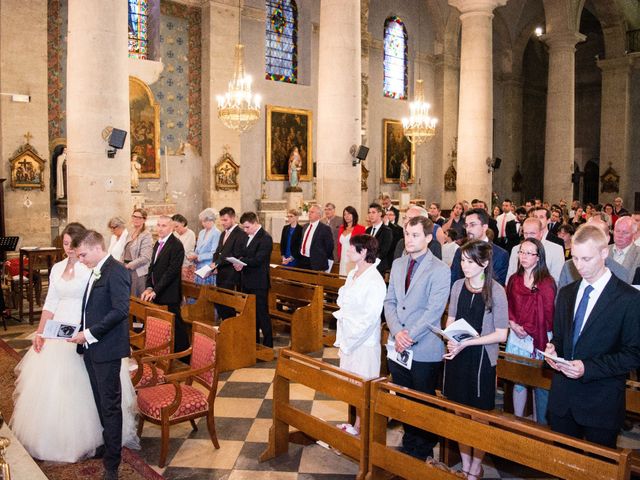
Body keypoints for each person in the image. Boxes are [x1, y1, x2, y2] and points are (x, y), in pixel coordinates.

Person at [11, 224, 138, 467]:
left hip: (95, 339)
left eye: (76, 248)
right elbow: (61, 302)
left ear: (89, 246)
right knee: (84, 395)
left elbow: (115, 308)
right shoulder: (72, 268)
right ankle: (91, 443)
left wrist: (87, 332)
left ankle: (109, 456)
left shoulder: (102, 269)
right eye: (67, 246)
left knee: (105, 401)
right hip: (72, 337)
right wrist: (43, 331)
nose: (71, 252)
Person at [544, 224, 640, 448]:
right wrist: (552, 350)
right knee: (561, 465)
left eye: (586, 259)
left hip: (601, 403)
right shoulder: (567, 293)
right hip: (563, 401)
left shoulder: (628, 298)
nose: (579, 266)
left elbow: (633, 355)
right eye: (575, 258)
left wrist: (587, 368)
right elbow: (559, 338)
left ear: (604, 253)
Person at [69, 229, 137, 480]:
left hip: (106, 348)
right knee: (99, 400)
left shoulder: (116, 270)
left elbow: (120, 310)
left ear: (97, 248)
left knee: (110, 405)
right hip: (92, 347)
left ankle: (112, 462)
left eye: (83, 255)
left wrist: (88, 333)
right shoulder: (95, 270)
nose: (81, 260)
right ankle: (107, 444)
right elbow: (91, 307)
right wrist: (79, 330)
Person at [384, 215, 450, 461]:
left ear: (428, 238)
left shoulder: (440, 270)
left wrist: (408, 335)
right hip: (398, 344)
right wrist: (396, 332)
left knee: (422, 400)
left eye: (415, 235)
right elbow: (389, 301)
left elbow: (434, 311)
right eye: (406, 235)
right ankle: (409, 441)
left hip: (423, 347)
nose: (409, 240)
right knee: (403, 397)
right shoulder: (400, 264)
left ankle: (422, 448)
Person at [443, 239, 508, 479]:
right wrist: (450, 337)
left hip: (481, 358)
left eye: (470, 261)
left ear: (485, 263)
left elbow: (502, 333)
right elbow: (450, 317)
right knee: (460, 413)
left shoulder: (496, 290)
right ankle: (466, 462)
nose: (465, 265)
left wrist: (467, 342)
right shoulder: (458, 285)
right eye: (462, 260)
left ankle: (475, 466)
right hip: (457, 355)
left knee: (479, 417)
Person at [333, 234, 386, 435]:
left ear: (363, 252)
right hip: (349, 337)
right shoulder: (353, 273)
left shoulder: (375, 280)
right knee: (351, 385)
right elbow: (344, 300)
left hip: (362, 341)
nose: (347, 251)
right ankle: (356, 425)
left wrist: (352, 336)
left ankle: (364, 429)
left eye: (351, 249)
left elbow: (370, 316)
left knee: (363, 386)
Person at [505, 238, 556, 424]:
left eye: (529, 253)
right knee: (519, 380)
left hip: (539, 338)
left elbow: (549, 313)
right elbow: (508, 305)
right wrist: (512, 323)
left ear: (538, 257)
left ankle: (537, 424)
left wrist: (528, 328)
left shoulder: (547, 282)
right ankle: (518, 423)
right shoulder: (514, 279)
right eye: (521, 252)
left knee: (538, 384)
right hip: (517, 336)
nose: (524, 256)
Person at [142, 215, 189, 352]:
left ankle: (183, 355)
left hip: (169, 293)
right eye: (159, 225)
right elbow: (152, 267)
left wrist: (156, 290)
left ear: (172, 227)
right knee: (162, 325)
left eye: (164, 226)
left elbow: (171, 272)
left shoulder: (176, 245)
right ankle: (164, 352)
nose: (160, 229)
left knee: (176, 325)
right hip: (157, 291)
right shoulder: (158, 243)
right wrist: (149, 287)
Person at [233, 212, 273, 347]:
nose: (245, 230)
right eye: (244, 227)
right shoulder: (247, 236)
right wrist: (239, 263)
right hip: (247, 279)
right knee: (250, 313)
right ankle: (254, 342)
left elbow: (258, 259)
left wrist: (241, 261)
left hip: (259, 281)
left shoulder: (265, 238)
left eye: (247, 227)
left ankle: (268, 344)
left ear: (255, 223)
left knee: (262, 313)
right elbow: (241, 253)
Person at [450, 208, 509, 286]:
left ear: (484, 227)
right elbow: (454, 281)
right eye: (466, 225)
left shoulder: (500, 254)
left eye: (472, 224)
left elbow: (496, 286)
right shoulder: (460, 251)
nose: (468, 229)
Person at [211, 207, 247, 319]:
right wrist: (214, 264)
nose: (222, 223)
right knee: (219, 301)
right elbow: (218, 251)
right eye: (221, 220)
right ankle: (225, 324)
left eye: (225, 220)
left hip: (231, 274)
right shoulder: (223, 234)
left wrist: (217, 263)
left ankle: (230, 326)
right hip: (221, 273)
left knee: (228, 303)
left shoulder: (240, 233)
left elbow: (235, 253)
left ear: (233, 218)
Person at [505, 217, 565, 284]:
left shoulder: (556, 250)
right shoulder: (516, 249)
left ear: (541, 233)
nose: (528, 237)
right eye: (526, 233)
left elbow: (557, 280)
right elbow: (510, 277)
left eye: (532, 233)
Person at [123, 208, 153, 297]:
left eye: (139, 218)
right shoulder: (130, 232)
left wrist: (129, 265)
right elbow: (124, 251)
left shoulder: (146, 235)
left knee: (137, 299)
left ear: (144, 220)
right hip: (127, 270)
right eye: (134, 216)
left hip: (138, 272)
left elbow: (145, 257)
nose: (136, 219)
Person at [187, 208, 221, 286]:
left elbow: (214, 253)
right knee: (198, 290)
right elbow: (198, 248)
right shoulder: (202, 232)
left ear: (211, 220)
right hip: (199, 265)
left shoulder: (216, 233)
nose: (202, 223)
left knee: (206, 292)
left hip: (208, 266)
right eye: (202, 221)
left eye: (204, 221)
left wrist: (198, 257)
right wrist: (193, 256)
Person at [298, 204, 334, 271]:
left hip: (316, 263)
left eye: (312, 212)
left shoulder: (325, 229)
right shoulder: (305, 226)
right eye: (309, 212)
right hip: (303, 260)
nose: (309, 214)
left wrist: (321, 258)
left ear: (319, 215)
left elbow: (329, 247)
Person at [608, 216, 640, 283]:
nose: (620, 235)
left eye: (625, 232)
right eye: (617, 231)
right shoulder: (603, 250)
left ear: (633, 234)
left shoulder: (638, 254)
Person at [337, 206, 366, 276]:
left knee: (351, 279)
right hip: (343, 259)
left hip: (353, 260)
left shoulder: (361, 228)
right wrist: (339, 257)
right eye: (345, 214)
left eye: (349, 214)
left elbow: (362, 246)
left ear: (354, 215)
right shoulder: (341, 228)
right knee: (342, 279)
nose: (346, 216)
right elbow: (339, 245)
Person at [365, 203, 393, 274]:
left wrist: (370, 261)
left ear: (380, 214)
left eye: (373, 212)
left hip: (379, 267)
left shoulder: (387, 231)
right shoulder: (367, 230)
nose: (371, 215)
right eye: (369, 212)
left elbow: (384, 251)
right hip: (366, 266)